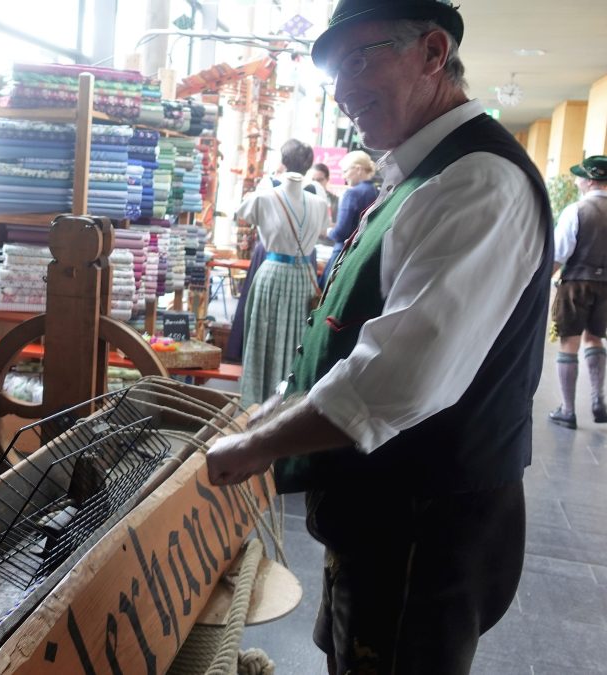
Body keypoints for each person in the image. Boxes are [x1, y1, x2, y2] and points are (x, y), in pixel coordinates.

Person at [207, 1, 552, 673]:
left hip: (426, 523)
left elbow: (397, 378)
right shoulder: (418, 169)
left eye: (360, 59)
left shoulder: (478, 180)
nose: (343, 90)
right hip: (386, 512)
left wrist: (256, 446)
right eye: (335, 71)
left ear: (431, 51)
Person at [235, 149, 329, 405]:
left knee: (300, 339)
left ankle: (289, 402)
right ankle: (256, 402)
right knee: (264, 338)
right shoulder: (264, 198)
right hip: (278, 275)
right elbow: (242, 213)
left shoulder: (320, 203)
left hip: (299, 278)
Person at [224, 139, 323, 363]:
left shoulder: (268, 187)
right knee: (294, 326)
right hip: (301, 262)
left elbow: (242, 217)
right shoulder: (316, 193)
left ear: (283, 160)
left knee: (266, 325)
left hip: (274, 260)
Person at [548, 155, 607, 429]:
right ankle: (598, 400)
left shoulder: (577, 210)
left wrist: (540, 282)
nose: (576, 180)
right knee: (595, 339)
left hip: (575, 285)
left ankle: (568, 410)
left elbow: (560, 253)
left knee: (569, 342)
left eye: (579, 175)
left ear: (591, 179)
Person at [320, 151, 378, 286]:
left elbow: (341, 232)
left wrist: (327, 231)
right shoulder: (376, 191)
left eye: (345, 171)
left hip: (342, 253)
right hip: (362, 255)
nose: (343, 176)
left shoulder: (351, 194)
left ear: (358, 169)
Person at [310, 161, 341, 226]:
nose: (315, 183)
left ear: (327, 179)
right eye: (313, 180)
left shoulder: (336, 201)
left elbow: (338, 224)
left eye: (319, 180)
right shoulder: (304, 198)